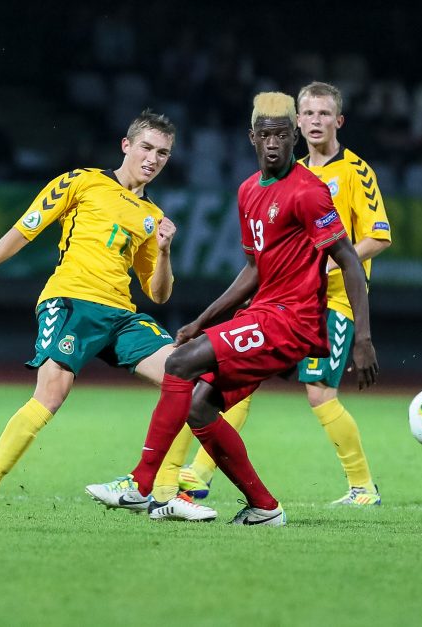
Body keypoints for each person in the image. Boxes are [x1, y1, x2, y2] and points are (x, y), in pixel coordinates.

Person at [89, 91, 378, 526]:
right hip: (263, 314)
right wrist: (203, 320)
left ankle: (140, 484)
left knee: (180, 364)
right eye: (266, 136)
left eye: (282, 135)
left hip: (292, 321)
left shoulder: (309, 191)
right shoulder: (247, 191)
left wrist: (363, 337)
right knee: (199, 406)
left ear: (292, 139)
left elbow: (349, 260)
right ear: (253, 139)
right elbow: (253, 268)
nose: (275, 143)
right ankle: (264, 506)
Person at [0, 110, 214, 521]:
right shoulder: (82, 181)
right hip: (71, 302)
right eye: (146, 147)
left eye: (162, 153)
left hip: (121, 314)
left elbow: (159, 293)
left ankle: (163, 494)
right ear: (125, 146)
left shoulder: (153, 217)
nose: (153, 158)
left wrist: (163, 251)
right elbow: (25, 228)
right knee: (51, 396)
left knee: (187, 379)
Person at [172, 81, 392, 506]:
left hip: (333, 303)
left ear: (338, 121)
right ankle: (199, 473)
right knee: (237, 377)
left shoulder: (354, 172)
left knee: (318, 393)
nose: (315, 121)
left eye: (324, 114)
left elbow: (377, 237)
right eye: (307, 114)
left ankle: (362, 486)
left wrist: (323, 262)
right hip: (283, 303)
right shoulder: (289, 172)